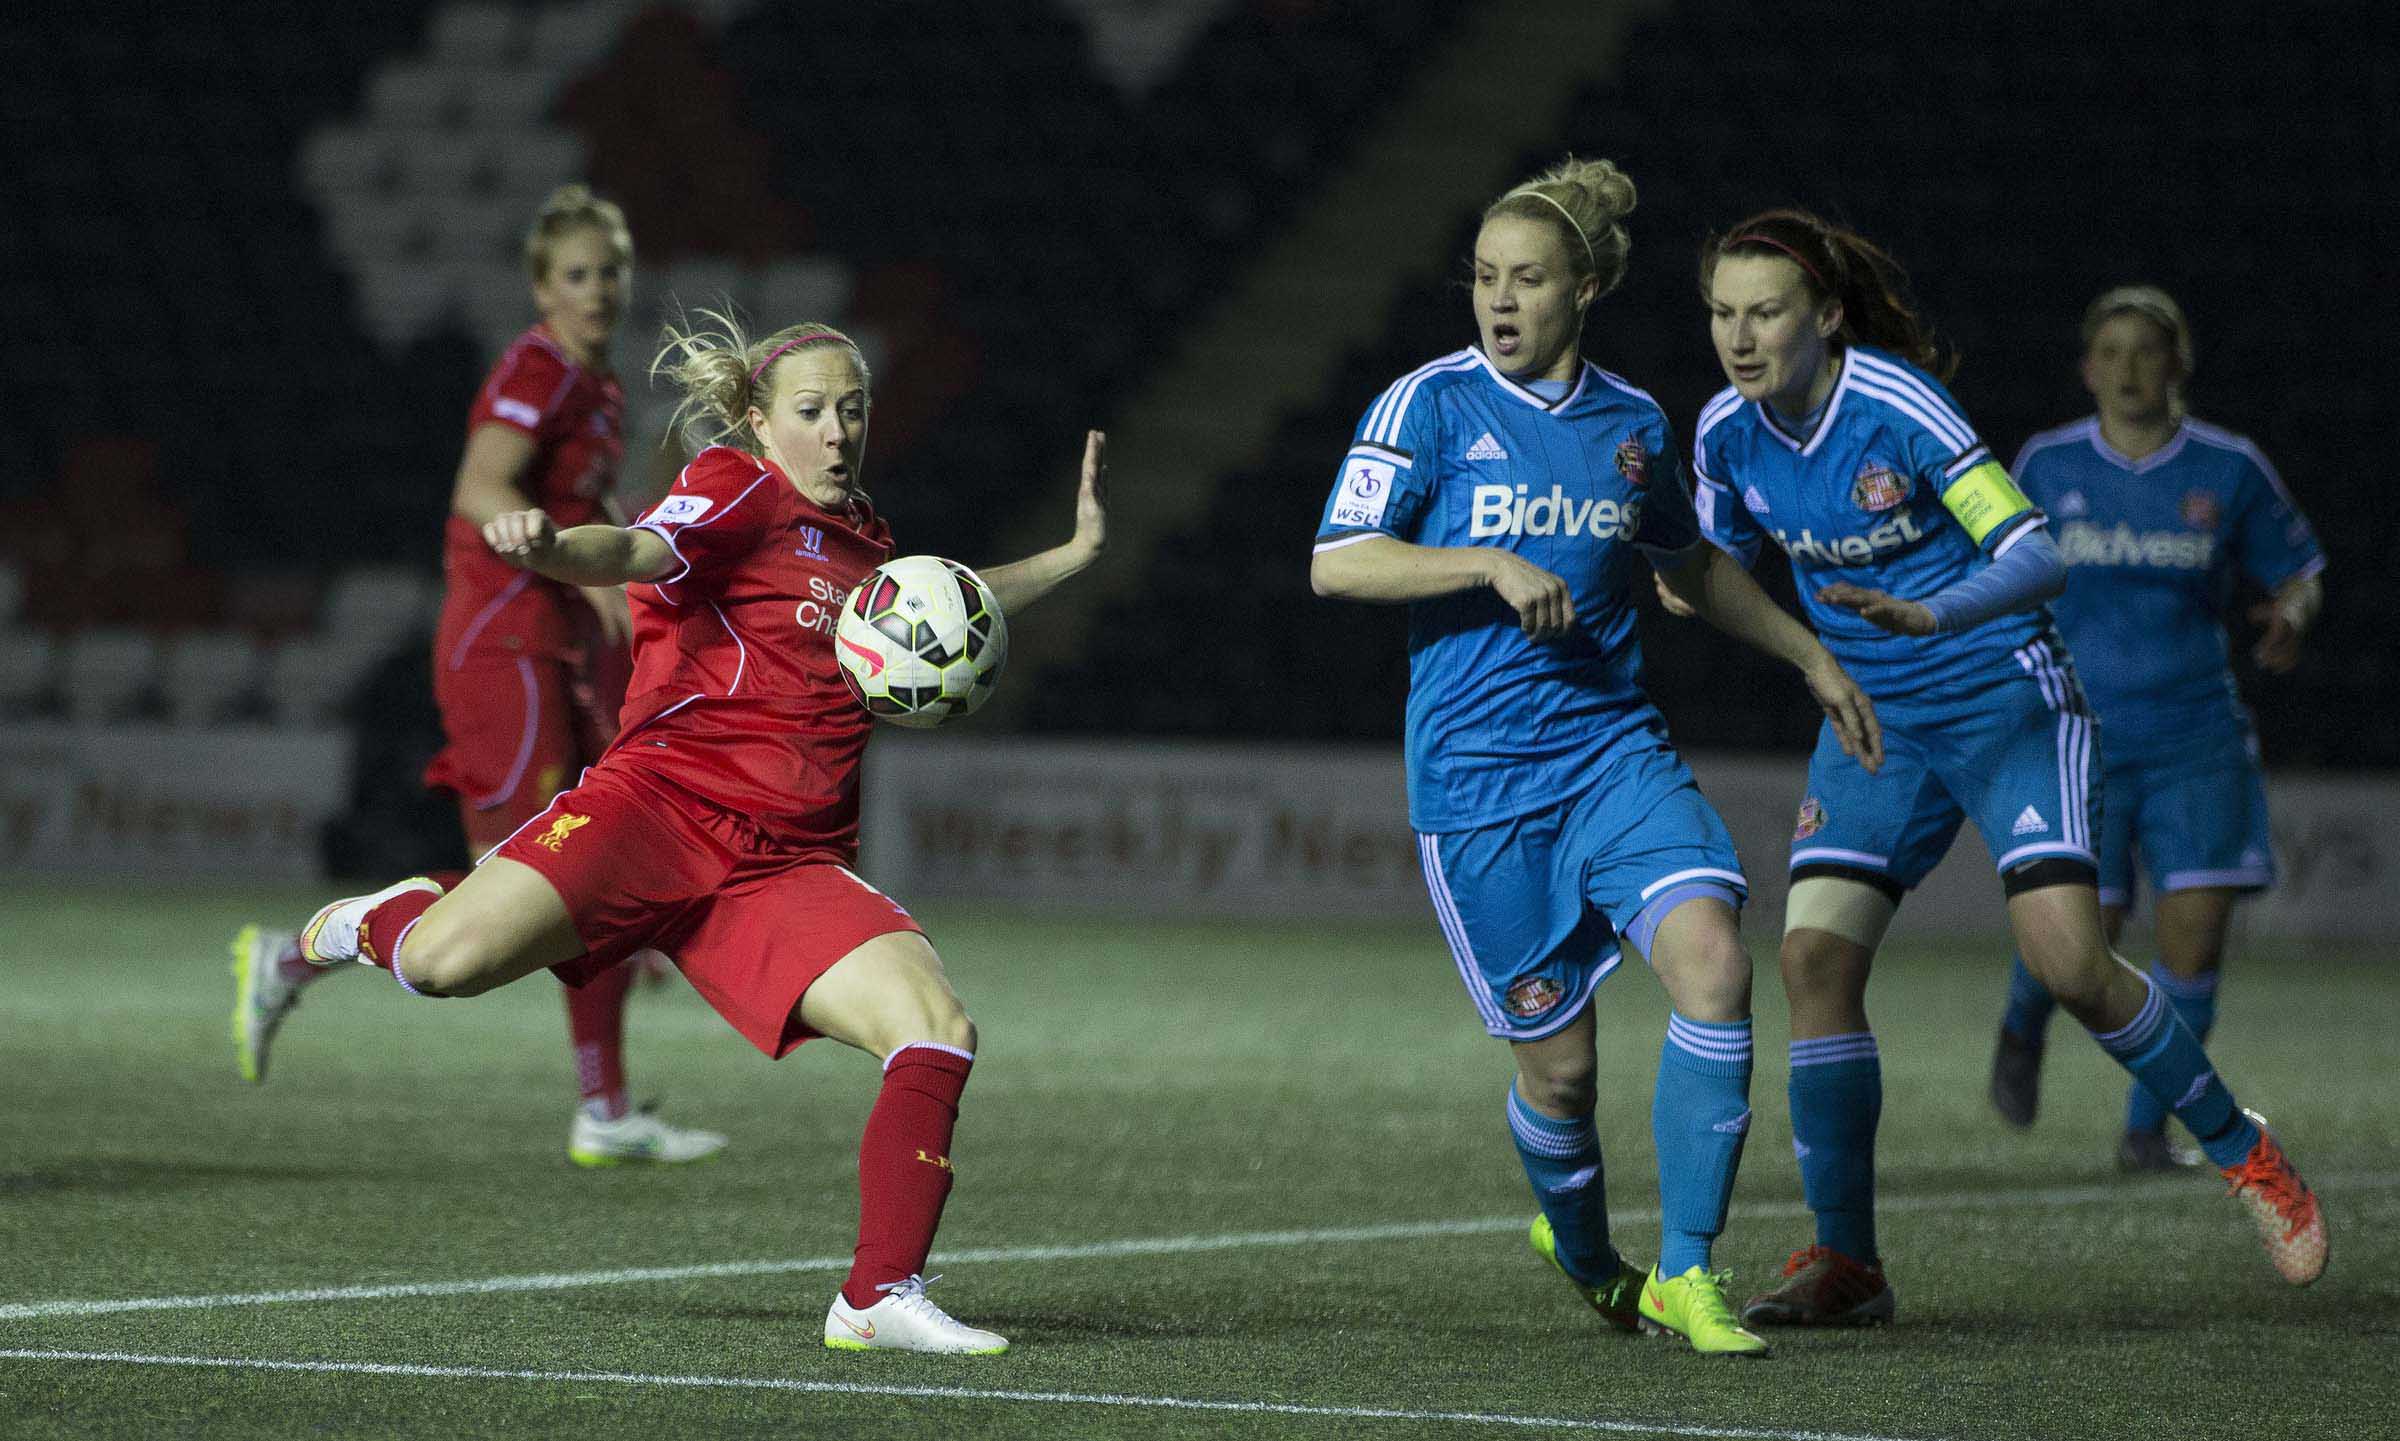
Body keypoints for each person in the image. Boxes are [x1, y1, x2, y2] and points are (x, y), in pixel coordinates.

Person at [285, 313, 1107, 1355]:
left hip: (781, 865)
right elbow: (635, 547)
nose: (837, 431)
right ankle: (375, 920)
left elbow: (962, 605)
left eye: (852, 409)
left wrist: (1073, 557)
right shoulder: (736, 485)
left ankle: (877, 1295)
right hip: (655, 813)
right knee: (444, 964)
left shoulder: (869, 546)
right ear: (761, 421)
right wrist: (552, 547)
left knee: (935, 1023)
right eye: (811, 411)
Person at [1674, 209, 2326, 1327]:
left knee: (2072, 963)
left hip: (2005, 695)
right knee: (1813, 961)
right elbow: (1700, 574)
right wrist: (1810, 656)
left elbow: (2035, 553)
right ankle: (1849, 1264)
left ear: (1824, 317)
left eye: (1765, 310)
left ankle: (2239, 1146)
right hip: (1877, 716)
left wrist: (1931, 610)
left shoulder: (1897, 407)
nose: (1740, 335)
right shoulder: (1725, 434)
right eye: (1723, 312)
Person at [1311, 158, 1884, 1358]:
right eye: (1482, 278)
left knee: (1717, 966)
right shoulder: (1428, 407)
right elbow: (1339, 560)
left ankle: (1688, 1272)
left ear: (1585, 288)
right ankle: (1584, 1250)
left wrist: (1812, 657)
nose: (1499, 301)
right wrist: (1485, 562)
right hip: (1477, 790)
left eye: (1527, 279)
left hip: (1613, 757)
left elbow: (1690, 570)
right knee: (1562, 1076)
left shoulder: (1633, 427)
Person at [230, 186, 726, 1166]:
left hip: (551, 641)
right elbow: (480, 482)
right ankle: (297, 952)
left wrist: (597, 578)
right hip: (501, 645)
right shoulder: (537, 367)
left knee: (600, 862)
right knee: (515, 879)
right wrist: (530, 537)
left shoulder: (600, 385)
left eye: (611, 272)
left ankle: (605, 1107)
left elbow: (572, 511)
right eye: (578, 274)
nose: (599, 291)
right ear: (542, 287)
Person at [1986, 287, 2325, 1171]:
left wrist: (2293, 609)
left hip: (2194, 737)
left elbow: (2299, 568)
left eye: (2148, 350)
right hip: (2076, 737)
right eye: (2112, 351)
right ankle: (2023, 1023)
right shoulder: (2048, 463)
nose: (2130, 369)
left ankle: (2146, 1129)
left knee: (2194, 938)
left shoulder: (2229, 468)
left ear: (2179, 363)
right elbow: (1999, 575)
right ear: (2088, 368)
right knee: (2078, 935)